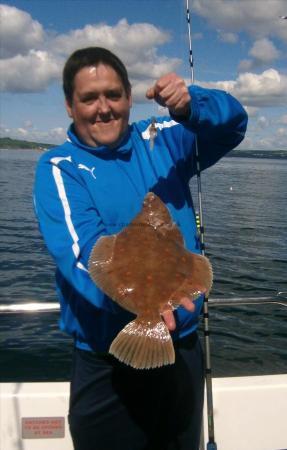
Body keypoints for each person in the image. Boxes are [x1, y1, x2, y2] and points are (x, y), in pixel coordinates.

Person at [33, 47, 248, 450]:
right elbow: (80, 256)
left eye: (113, 95)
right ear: (69, 105)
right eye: (89, 98)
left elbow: (234, 124)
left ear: (130, 97)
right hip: (105, 364)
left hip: (181, 349)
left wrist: (192, 106)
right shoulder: (59, 167)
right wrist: (145, 307)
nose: (103, 108)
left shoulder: (163, 139)